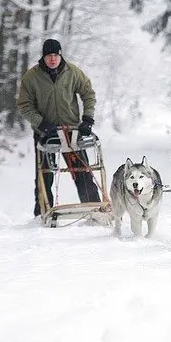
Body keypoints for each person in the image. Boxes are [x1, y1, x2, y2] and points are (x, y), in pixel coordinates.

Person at [17, 38, 101, 217]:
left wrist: (87, 118)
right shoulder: (32, 77)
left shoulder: (72, 72)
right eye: (49, 55)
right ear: (44, 57)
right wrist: (41, 123)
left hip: (71, 132)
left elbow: (88, 93)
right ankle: (43, 213)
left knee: (82, 172)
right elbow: (24, 105)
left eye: (56, 55)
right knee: (45, 174)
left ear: (60, 55)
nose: (53, 59)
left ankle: (94, 208)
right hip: (45, 133)